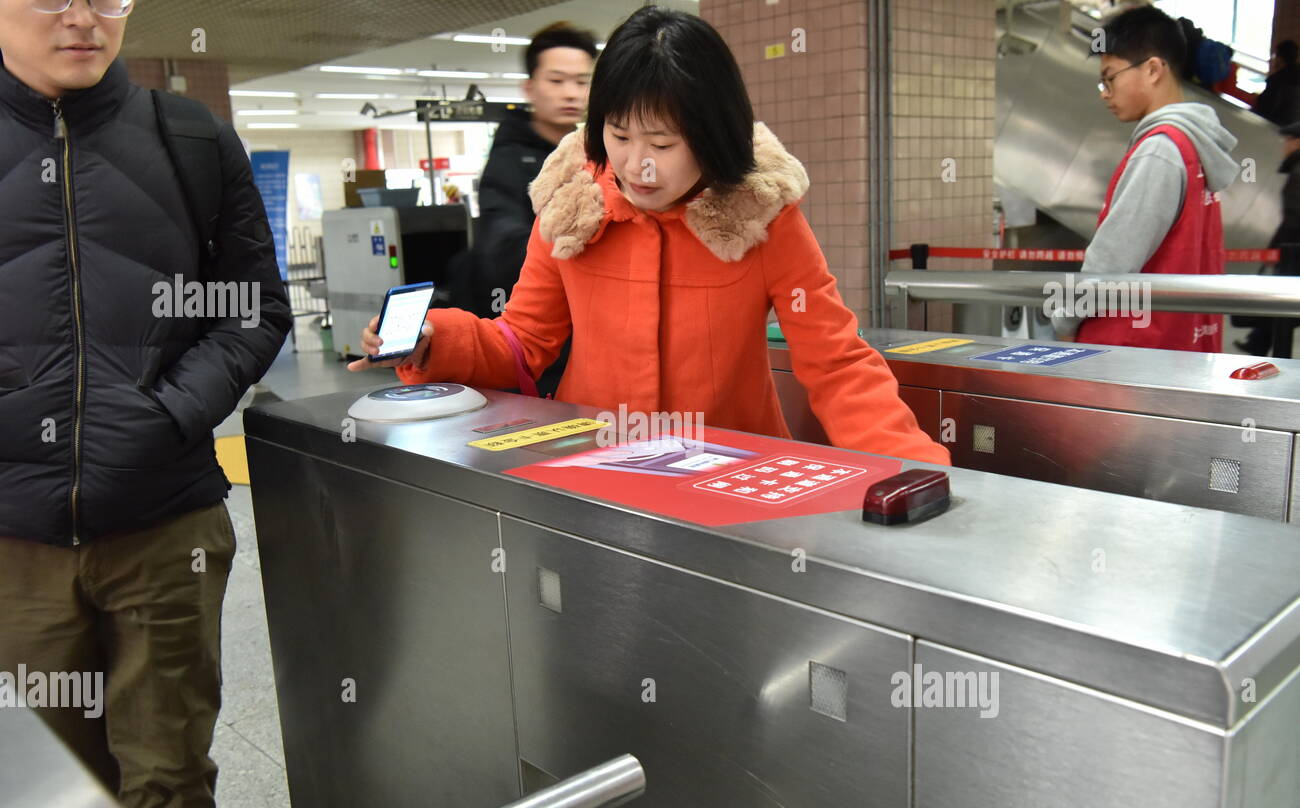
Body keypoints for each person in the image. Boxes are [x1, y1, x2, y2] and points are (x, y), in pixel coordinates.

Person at [350, 6, 947, 466]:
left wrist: (912, 469)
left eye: (663, 144)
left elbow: (836, 362)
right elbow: (523, 342)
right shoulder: (571, 206)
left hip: (734, 474)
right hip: (595, 468)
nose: (639, 166)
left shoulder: (761, 215)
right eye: (619, 135)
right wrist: (433, 340)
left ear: (712, 134)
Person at [0, 0, 291, 808]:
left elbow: (253, 309)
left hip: (167, 528)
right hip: (14, 541)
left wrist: (167, 413)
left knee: (168, 773)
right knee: (49, 782)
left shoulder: (190, 140)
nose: (85, 18)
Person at [1053, 5, 1238, 351]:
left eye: (1109, 78)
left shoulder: (1160, 150)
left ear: (1153, 69)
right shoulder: (1194, 144)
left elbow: (1110, 261)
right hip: (1179, 342)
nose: (1105, 92)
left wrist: (1064, 320)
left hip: (1132, 350)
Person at [447, 21, 597, 396]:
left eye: (582, 81)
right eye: (557, 80)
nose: (571, 93)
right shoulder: (509, 161)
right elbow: (503, 248)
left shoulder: (595, 152)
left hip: (586, 341)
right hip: (536, 346)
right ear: (530, 88)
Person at [1233, 120, 1300, 357]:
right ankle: (1258, 342)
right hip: (1291, 248)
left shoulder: (1297, 171)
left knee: (1281, 300)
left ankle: (1261, 343)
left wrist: (1280, 250)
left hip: (1292, 250)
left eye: (1288, 141)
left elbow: (1294, 217)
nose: (1285, 146)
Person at [1253, 39, 1300, 126]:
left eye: (1274, 55)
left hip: (1277, 130)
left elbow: (1265, 110)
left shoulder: (1277, 81)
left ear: (1280, 58)